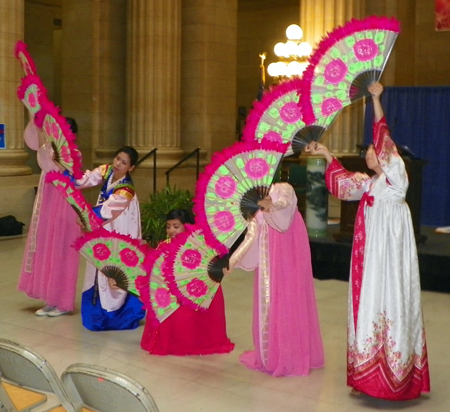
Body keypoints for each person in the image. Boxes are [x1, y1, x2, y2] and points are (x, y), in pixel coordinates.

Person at [305, 82, 430, 400]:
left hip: (389, 257)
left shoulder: (396, 177)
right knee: (370, 305)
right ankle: (369, 374)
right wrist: (325, 153)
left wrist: (376, 101)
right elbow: (343, 185)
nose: (370, 152)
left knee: (392, 304)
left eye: (373, 149)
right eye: (370, 150)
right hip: (370, 258)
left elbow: (383, 136)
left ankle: (395, 377)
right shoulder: (371, 183)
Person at [225, 182, 324, 377]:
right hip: (267, 267)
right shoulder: (255, 205)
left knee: (289, 303)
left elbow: (286, 207)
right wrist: (232, 260)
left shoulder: (282, 189)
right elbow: (250, 238)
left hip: (289, 262)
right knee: (270, 307)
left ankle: (293, 354)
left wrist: (271, 205)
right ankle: (272, 354)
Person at [138, 209, 235, 355]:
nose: (171, 230)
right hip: (170, 294)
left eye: (176, 226)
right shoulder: (163, 244)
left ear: (186, 225)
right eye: (168, 226)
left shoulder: (199, 244)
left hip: (194, 292)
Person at [76, 146, 145, 331]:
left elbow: (108, 210)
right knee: (98, 264)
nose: (118, 164)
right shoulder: (107, 171)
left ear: (131, 168)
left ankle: (117, 314)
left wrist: (87, 216)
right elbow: (86, 179)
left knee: (116, 264)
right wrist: (68, 178)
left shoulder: (126, 190)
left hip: (121, 227)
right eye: (117, 158)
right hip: (104, 224)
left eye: (124, 163)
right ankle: (98, 310)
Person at [17, 117, 81, 317]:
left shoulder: (73, 154)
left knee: (62, 249)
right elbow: (34, 143)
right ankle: (50, 299)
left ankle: (62, 302)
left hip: (64, 204)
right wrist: (35, 121)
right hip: (47, 204)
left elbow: (57, 168)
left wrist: (49, 152)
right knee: (48, 248)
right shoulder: (49, 149)